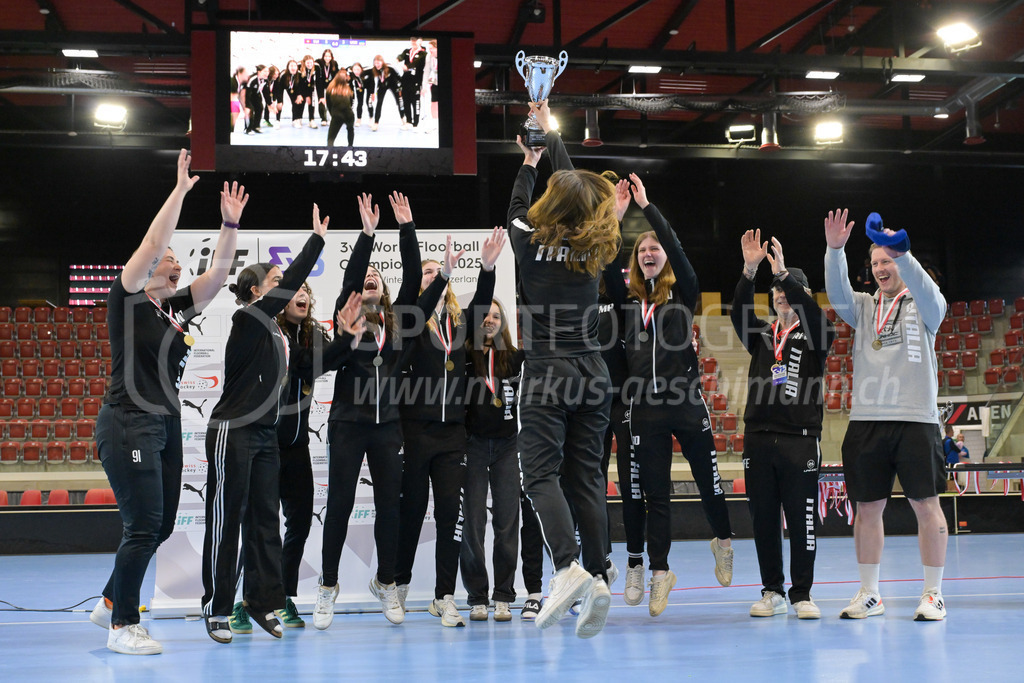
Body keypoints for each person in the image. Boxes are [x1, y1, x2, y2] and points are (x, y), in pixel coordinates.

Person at [89, 150, 245, 655]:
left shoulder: (171, 310)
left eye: (179, 257)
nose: (176, 259)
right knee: (142, 525)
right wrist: (179, 191)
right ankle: (123, 628)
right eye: (172, 256)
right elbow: (153, 241)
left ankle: (112, 600)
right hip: (128, 422)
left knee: (159, 525)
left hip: (166, 424)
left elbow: (219, 277)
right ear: (151, 266)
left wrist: (228, 225)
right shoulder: (129, 296)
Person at [508, 101, 620, 639]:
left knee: (540, 477)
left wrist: (530, 160)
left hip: (548, 372)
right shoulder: (596, 245)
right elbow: (576, 186)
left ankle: (568, 567)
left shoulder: (527, 243)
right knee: (587, 478)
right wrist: (550, 133)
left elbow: (520, 201)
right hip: (594, 372)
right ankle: (598, 572)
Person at [602, 173, 734, 618]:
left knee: (709, 483)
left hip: (686, 402)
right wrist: (618, 218)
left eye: (653, 249)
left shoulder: (684, 295)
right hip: (645, 410)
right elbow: (606, 266)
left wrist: (647, 207)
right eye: (641, 251)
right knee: (655, 494)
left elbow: (677, 249)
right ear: (636, 263)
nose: (649, 253)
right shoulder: (627, 305)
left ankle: (723, 539)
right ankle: (660, 573)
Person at [201, 204, 329, 644]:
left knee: (264, 524)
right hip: (233, 431)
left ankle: (260, 601)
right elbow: (289, 283)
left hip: (264, 437)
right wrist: (315, 242)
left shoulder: (277, 331)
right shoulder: (249, 317)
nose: (287, 289)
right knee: (227, 522)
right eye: (276, 282)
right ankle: (216, 607)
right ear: (256, 291)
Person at [314, 192, 441, 629]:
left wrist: (407, 227)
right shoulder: (347, 317)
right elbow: (352, 276)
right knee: (340, 506)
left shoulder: (400, 326)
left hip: (388, 429)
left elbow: (412, 276)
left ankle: (387, 582)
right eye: (364, 278)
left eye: (375, 278)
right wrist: (367, 235)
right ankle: (327, 588)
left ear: (384, 292)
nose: (369, 279)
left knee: (390, 507)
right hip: (348, 426)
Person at [824, 208, 948, 621]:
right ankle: (870, 594)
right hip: (867, 420)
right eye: (875, 262)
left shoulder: (924, 304)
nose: (880, 267)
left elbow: (933, 297)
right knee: (867, 509)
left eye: (887, 260)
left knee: (926, 505)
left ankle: (933, 594)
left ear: (902, 262)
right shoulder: (862, 307)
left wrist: (901, 250)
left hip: (917, 419)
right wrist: (835, 250)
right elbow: (836, 291)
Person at [226, 283, 365, 635]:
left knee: (299, 523)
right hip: (264, 445)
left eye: (306, 290)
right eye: (293, 290)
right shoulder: (269, 333)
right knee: (258, 529)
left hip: (297, 446)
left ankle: (283, 596)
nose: (301, 295)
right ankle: (239, 603)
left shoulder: (313, 334)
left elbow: (323, 364)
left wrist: (347, 336)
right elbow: (303, 368)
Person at [394, 226, 504, 628]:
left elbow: (482, 303)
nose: (433, 276)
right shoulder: (410, 321)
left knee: (449, 517)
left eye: (438, 272)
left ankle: (444, 596)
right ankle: (399, 586)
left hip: (452, 435)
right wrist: (433, 278)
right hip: (415, 431)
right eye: (426, 273)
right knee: (411, 511)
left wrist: (487, 267)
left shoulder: (458, 325)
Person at [730, 230, 834, 620]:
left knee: (803, 517)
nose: (780, 294)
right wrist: (750, 270)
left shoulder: (817, 335)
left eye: (788, 288)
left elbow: (811, 311)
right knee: (764, 520)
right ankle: (771, 589)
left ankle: (802, 593)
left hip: (801, 441)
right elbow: (739, 309)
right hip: (758, 439)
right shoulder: (761, 334)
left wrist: (786, 275)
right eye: (775, 290)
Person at [459, 298, 524, 623]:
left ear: (504, 322)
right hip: (472, 445)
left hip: (507, 446)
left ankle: (503, 596)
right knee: (472, 522)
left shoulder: (515, 358)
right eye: (485, 314)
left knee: (507, 521)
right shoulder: (466, 355)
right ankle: (476, 597)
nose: (490, 320)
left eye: (497, 315)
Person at [366, 55, 402, 132]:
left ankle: (403, 120)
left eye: (378, 63)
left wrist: (400, 88)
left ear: (382, 62)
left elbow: (399, 76)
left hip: (393, 85)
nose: (377, 65)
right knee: (379, 103)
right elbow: (363, 70)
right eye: (375, 63)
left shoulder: (390, 68)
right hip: (382, 86)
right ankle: (376, 123)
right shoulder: (374, 69)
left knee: (399, 102)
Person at [398, 37, 426, 130]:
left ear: (420, 41)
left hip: (416, 81)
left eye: (416, 41)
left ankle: (416, 123)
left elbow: (416, 62)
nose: (413, 43)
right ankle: (409, 121)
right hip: (406, 81)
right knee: (406, 101)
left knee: (415, 102)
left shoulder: (423, 53)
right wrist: (397, 60)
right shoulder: (407, 51)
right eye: (412, 41)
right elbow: (401, 56)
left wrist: (407, 66)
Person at [325, 70, 355, 148]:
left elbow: (328, 104)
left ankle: (330, 151)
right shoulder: (348, 90)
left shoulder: (330, 89)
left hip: (336, 115)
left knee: (331, 138)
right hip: (349, 114)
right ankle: (350, 147)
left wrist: (333, 114)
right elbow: (351, 103)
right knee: (350, 130)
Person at [315, 49, 340, 126]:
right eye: (326, 56)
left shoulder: (334, 63)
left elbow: (336, 75)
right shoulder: (318, 62)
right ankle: (323, 119)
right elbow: (318, 78)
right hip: (320, 85)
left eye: (329, 56)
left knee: (331, 102)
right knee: (321, 101)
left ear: (331, 57)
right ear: (323, 56)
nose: (327, 58)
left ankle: (332, 118)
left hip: (331, 86)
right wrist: (321, 95)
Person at [243, 65, 269, 135]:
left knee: (260, 108)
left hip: (255, 95)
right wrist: (247, 106)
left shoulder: (265, 80)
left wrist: (270, 104)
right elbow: (246, 94)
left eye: (268, 71)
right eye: (265, 71)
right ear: (259, 72)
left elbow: (266, 93)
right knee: (250, 110)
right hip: (245, 95)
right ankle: (247, 129)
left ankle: (256, 126)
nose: (267, 73)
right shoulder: (252, 79)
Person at [298, 55, 319, 128]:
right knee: (301, 104)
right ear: (304, 63)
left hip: (311, 89)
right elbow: (300, 83)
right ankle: (299, 119)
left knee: (312, 104)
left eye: (311, 63)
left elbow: (318, 81)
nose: (309, 64)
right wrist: (304, 95)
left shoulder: (316, 68)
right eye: (307, 63)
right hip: (302, 89)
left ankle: (311, 120)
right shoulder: (300, 69)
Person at [230, 66, 248, 131]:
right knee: (235, 109)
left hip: (233, 100)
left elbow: (241, 97)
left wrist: (244, 108)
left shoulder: (242, 83)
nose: (247, 75)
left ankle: (231, 129)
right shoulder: (232, 81)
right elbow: (233, 97)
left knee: (236, 110)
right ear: (240, 73)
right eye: (245, 73)